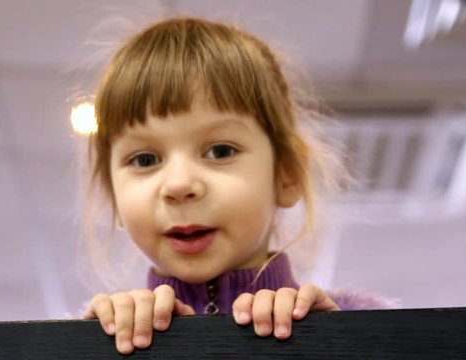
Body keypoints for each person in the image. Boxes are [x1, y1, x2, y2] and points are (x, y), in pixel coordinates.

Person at [80, 16, 396, 355]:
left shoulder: (363, 324)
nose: (179, 184)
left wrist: (338, 345)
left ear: (286, 174)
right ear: (113, 198)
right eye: (145, 160)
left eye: (220, 151)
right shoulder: (97, 338)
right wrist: (88, 349)